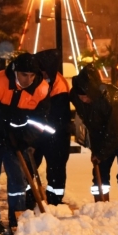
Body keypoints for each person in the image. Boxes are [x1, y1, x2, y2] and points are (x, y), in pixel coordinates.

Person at [0, 53, 50, 235]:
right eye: (25, 75)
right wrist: (5, 117)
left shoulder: (41, 88)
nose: (29, 80)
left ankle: (17, 218)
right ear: (16, 71)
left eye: (32, 75)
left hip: (18, 141)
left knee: (18, 180)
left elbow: (40, 121)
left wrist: (25, 138)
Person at [69, 64, 118, 205]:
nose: (83, 99)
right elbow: (92, 125)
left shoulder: (115, 102)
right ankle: (101, 205)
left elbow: (115, 132)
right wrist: (96, 151)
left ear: (94, 91)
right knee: (100, 172)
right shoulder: (76, 96)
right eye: (80, 96)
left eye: (86, 96)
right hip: (103, 134)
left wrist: (101, 154)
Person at [25, 49, 71, 208]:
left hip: (56, 137)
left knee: (56, 169)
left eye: (44, 71)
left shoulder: (60, 85)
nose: (42, 74)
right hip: (36, 134)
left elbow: (57, 117)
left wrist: (49, 134)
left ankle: (55, 200)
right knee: (29, 167)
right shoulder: (35, 81)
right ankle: (29, 198)